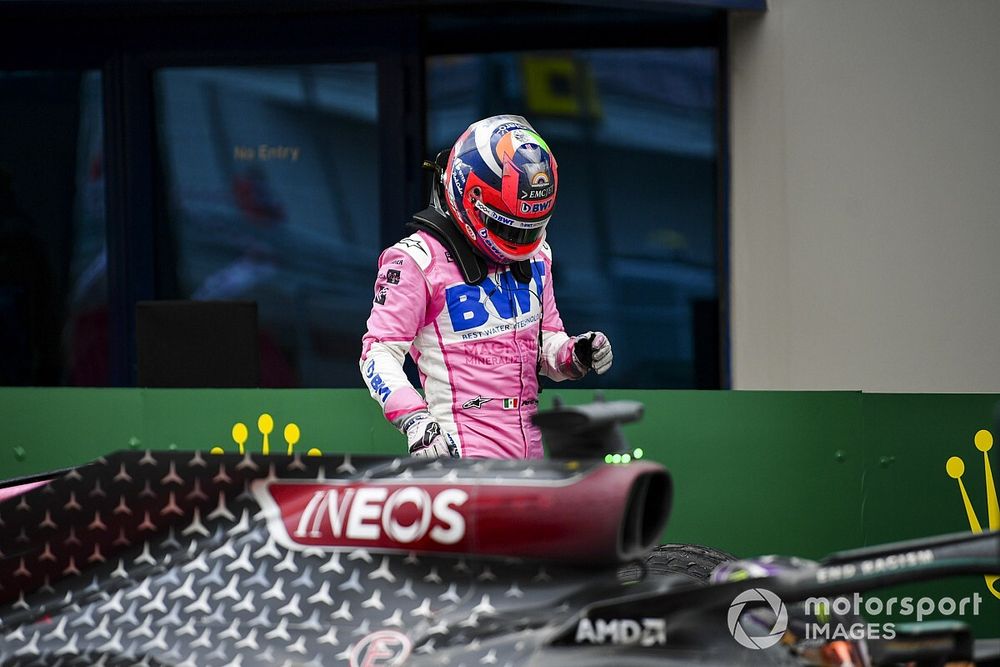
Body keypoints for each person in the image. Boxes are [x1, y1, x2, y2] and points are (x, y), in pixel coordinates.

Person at [359, 115, 612, 459]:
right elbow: (378, 353)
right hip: (461, 456)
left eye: (528, 228)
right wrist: (416, 420)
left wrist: (573, 354)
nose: (520, 240)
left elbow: (545, 342)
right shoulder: (415, 260)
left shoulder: (538, 255)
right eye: (509, 228)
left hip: (532, 454)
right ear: (471, 194)